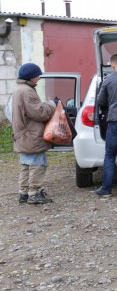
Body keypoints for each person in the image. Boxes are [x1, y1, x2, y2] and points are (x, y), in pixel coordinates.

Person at [11, 63, 56, 205]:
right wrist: (51, 104)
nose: (39, 77)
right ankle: (34, 193)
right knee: (37, 164)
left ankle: (23, 192)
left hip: (22, 135)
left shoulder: (19, 89)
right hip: (31, 136)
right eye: (38, 75)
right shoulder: (27, 91)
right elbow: (39, 113)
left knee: (25, 164)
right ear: (31, 76)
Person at [95, 54, 117, 197]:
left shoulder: (109, 80)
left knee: (110, 155)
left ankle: (106, 189)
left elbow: (101, 101)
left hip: (115, 121)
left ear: (112, 65)